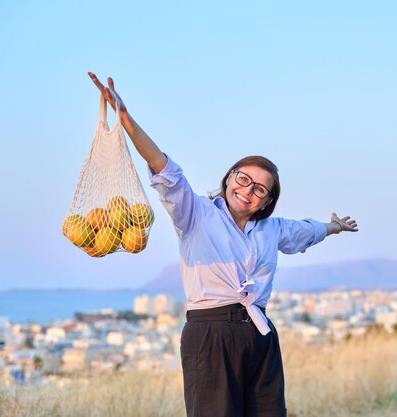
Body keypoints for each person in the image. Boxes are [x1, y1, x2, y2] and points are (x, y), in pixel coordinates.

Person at [88, 72, 359, 417]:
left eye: (260, 189)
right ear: (229, 177)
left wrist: (335, 226)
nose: (247, 190)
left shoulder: (272, 229)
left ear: (266, 201)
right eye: (243, 179)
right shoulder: (195, 213)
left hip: (260, 334)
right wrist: (125, 118)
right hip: (210, 334)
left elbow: (308, 231)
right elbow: (162, 166)